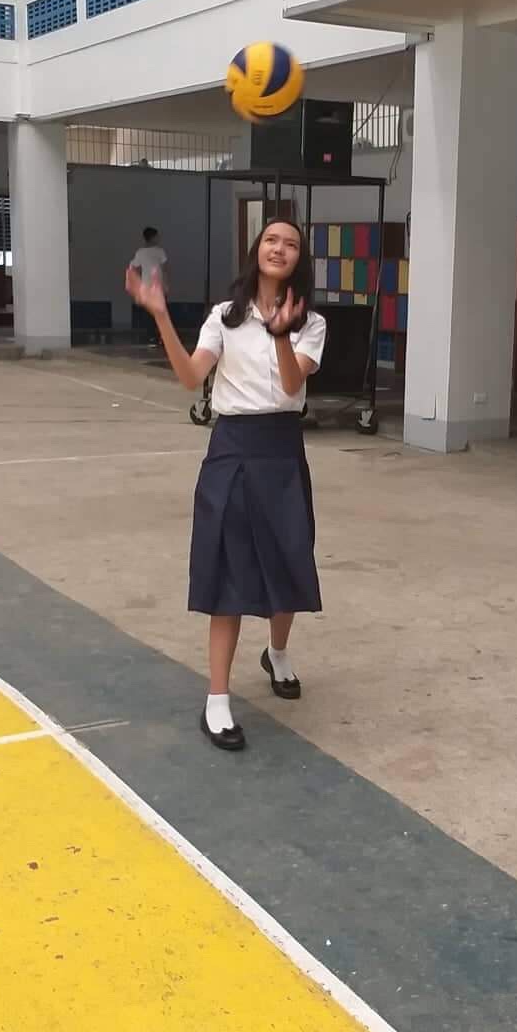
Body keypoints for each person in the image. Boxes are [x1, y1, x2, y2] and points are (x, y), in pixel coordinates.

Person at [125, 219, 326, 753]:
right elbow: (192, 377)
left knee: (289, 559)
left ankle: (276, 654)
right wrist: (161, 315)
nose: (279, 249)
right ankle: (217, 699)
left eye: (291, 244)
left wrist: (281, 335)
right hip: (233, 449)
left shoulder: (311, 322)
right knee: (229, 574)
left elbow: (292, 383)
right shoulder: (224, 316)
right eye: (271, 240)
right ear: (256, 250)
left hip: (282, 450)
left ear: (299, 259)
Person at [130, 227, 168, 346]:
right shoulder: (160, 251)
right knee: (160, 313)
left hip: (147, 287)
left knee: (150, 314)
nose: (158, 238)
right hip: (157, 287)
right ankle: (158, 337)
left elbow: (133, 266)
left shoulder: (141, 252)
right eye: (157, 236)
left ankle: (153, 337)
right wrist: (166, 284)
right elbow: (165, 269)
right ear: (152, 237)